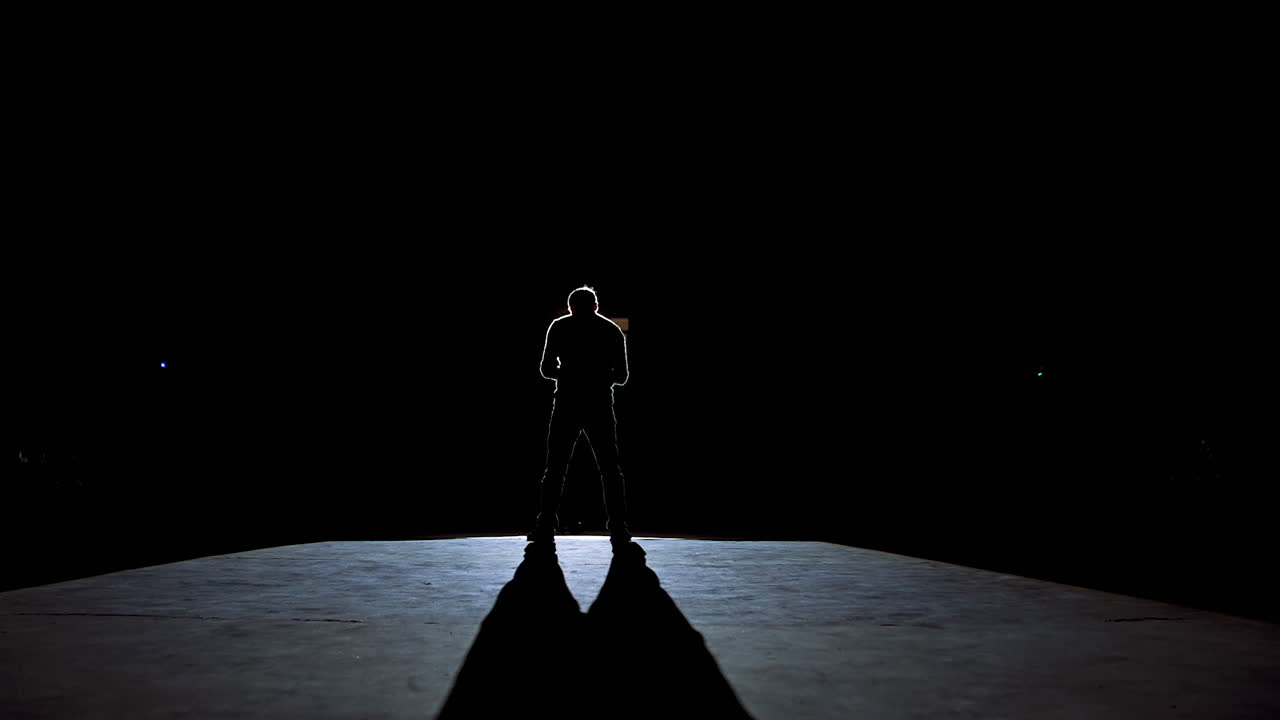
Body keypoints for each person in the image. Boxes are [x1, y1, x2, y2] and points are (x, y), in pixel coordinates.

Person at [528, 286, 630, 545]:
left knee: (556, 467)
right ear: (596, 306)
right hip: (599, 404)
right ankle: (618, 525)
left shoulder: (559, 327)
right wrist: (597, 378)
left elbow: (546, 369)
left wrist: (570, 375)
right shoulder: (611, 330)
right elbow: (622, 376)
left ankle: (546, 523)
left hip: (567, 402)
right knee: (609, 468)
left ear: (571, 306)